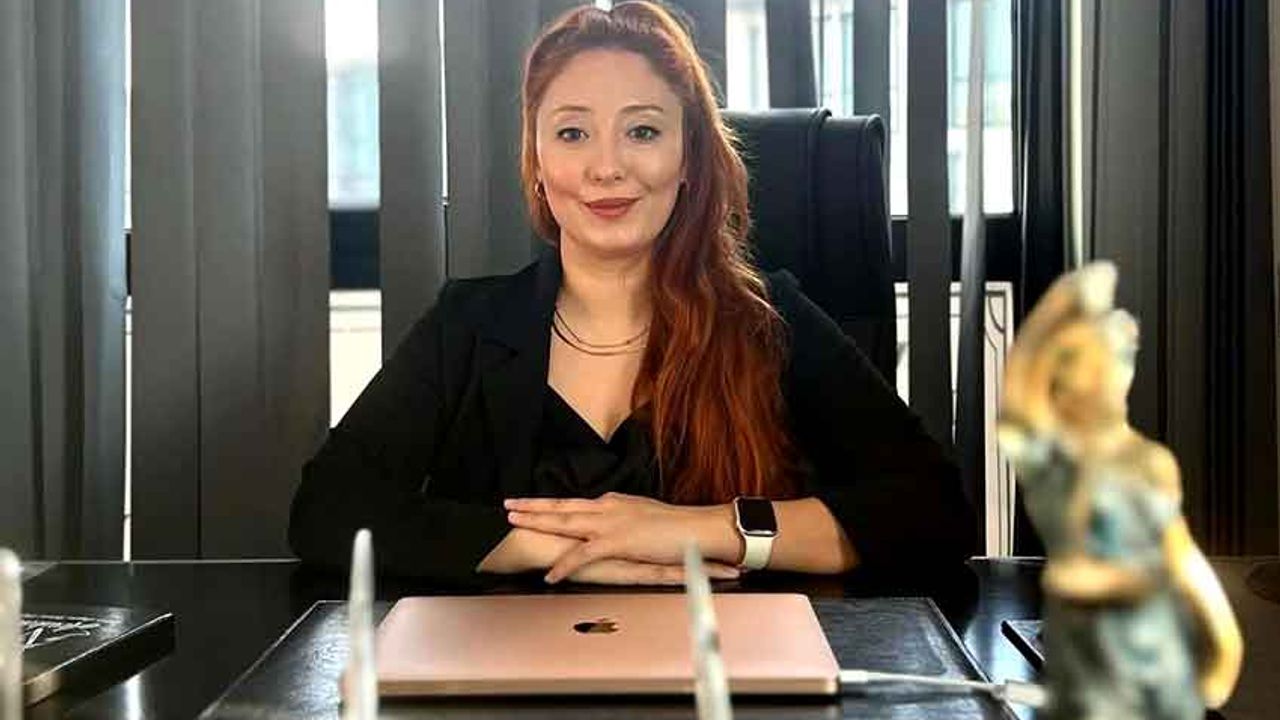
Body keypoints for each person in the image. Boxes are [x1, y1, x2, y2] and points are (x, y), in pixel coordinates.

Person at [288, 0, 974, 586]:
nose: (607, 167)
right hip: (508, 674)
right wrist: (547, 547)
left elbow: (936, 512)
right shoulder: (465, 325)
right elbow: (327, 510)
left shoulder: (769, 320)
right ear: (537, 162)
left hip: (730, 670)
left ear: (688, 158)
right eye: (572, 133)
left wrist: (696, 531)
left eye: (642, 131)